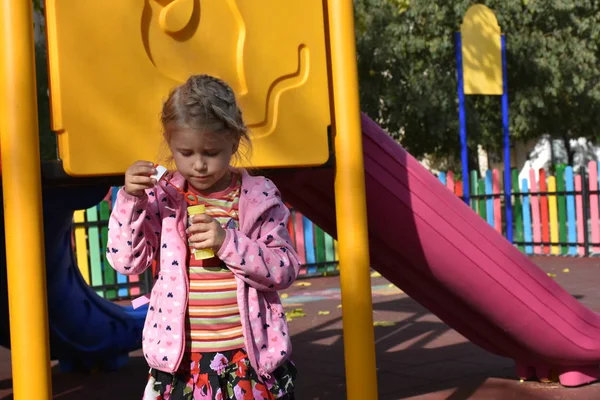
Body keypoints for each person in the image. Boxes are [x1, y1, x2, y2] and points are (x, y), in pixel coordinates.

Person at [107, 74, 299, 399]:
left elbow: (283, 269)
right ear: (170, 144)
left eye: (211, 152)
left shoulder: (258, 197)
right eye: (185, 152)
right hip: (183, 363)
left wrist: (227, 242)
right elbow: (126, 261)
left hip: (247, 360)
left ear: (234, 143)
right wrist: (129, 200)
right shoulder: (164, 198)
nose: (198, 165)